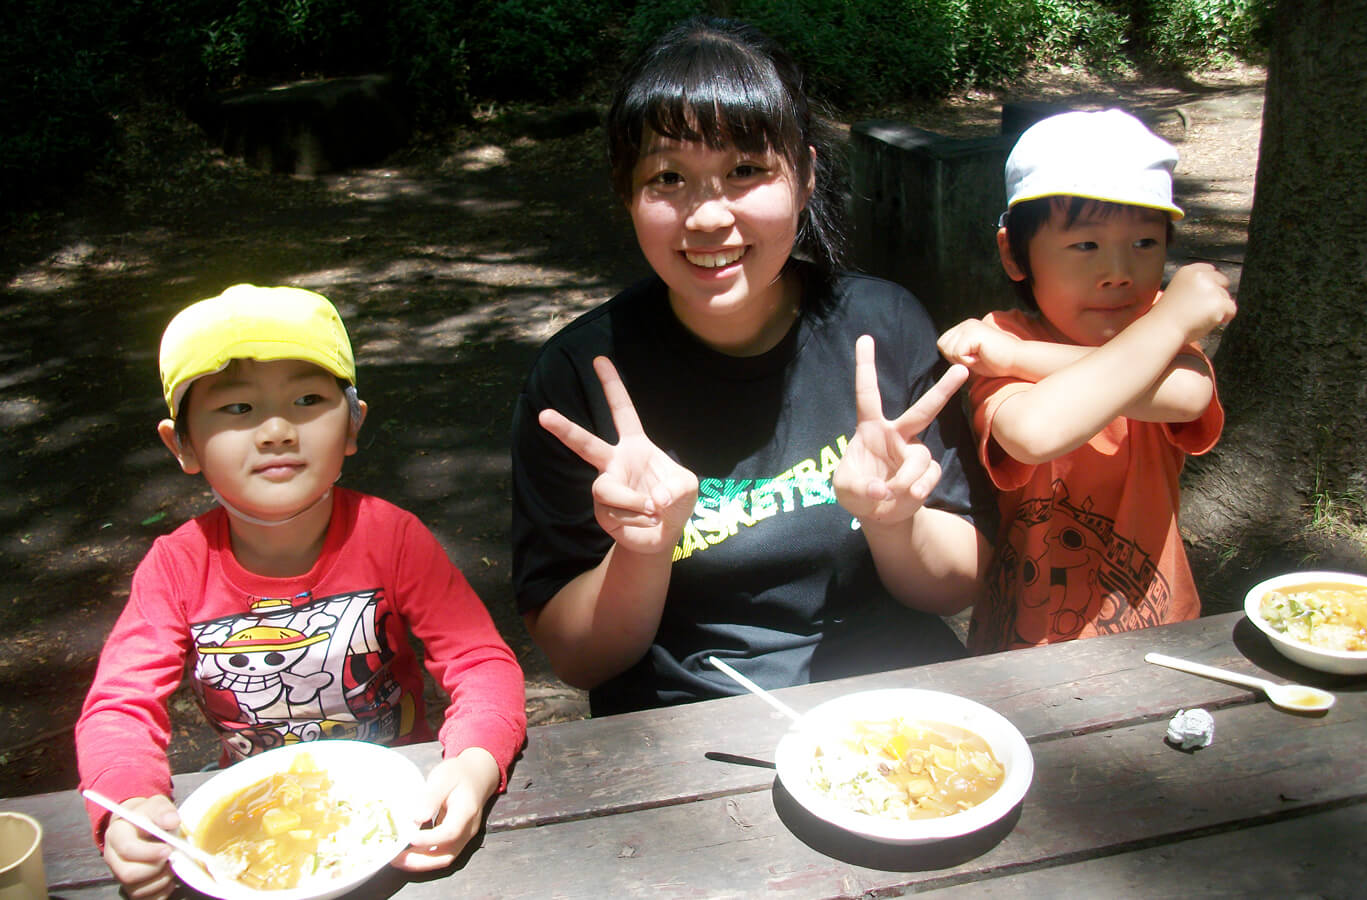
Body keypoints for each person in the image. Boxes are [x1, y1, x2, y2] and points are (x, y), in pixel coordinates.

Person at [510, 18, 994, 716]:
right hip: (684, 721)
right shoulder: (579, 376)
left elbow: (957, 587)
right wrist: (642, 551)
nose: (708, 216)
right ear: (627, 194)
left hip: (890, 704)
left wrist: (896, 523)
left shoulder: (882, 329)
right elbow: (580, 658)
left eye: (746, 171)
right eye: (668, 177)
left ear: (805, 178)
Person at [76, 284, 527, 899]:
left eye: (308, 399)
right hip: (254, 820)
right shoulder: (177, 567)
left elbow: (479, 661)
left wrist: (474, 764)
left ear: (353, 425)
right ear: (180, 444)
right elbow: (119, 707)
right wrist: (130, 805)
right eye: (236, 408)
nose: (277, 430)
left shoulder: (391, 537)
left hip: (406, 805)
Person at [935, 109, 1238, 653]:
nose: (1119, 270)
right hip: (1025, 646)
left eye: (1145, 243)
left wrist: (1021, 358)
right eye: (1086, 245)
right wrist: (1169, 324)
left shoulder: (1158, 328)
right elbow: (1033, 432)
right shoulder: (996, 337)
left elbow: (1189, 395)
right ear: (1014, 253)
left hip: (1156, 633)